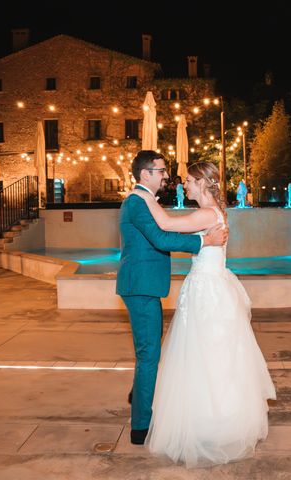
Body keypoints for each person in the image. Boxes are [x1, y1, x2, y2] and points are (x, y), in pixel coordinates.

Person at [131, 161, 276, 468]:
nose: (184, 185)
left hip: (206, 293)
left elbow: (167, 226)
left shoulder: (207, 214)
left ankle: (208, 422)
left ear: (201, 183)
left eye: (188, 182)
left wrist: (144, 197)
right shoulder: (214, 213)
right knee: (214, 354)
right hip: (212, 288)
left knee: (205, 354)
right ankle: (218, 417)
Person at [116, 151, 228, 446]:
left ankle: (139, 393)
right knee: (150, 353)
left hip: (146, 285)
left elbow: (166, 226)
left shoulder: (146, 201)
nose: (167, 176)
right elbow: (162, 237)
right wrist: (205, 240)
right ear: (145, 175)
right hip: (140, 286)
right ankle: (140, 426)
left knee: (151, 349)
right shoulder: (138, 201)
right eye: (162, 170)